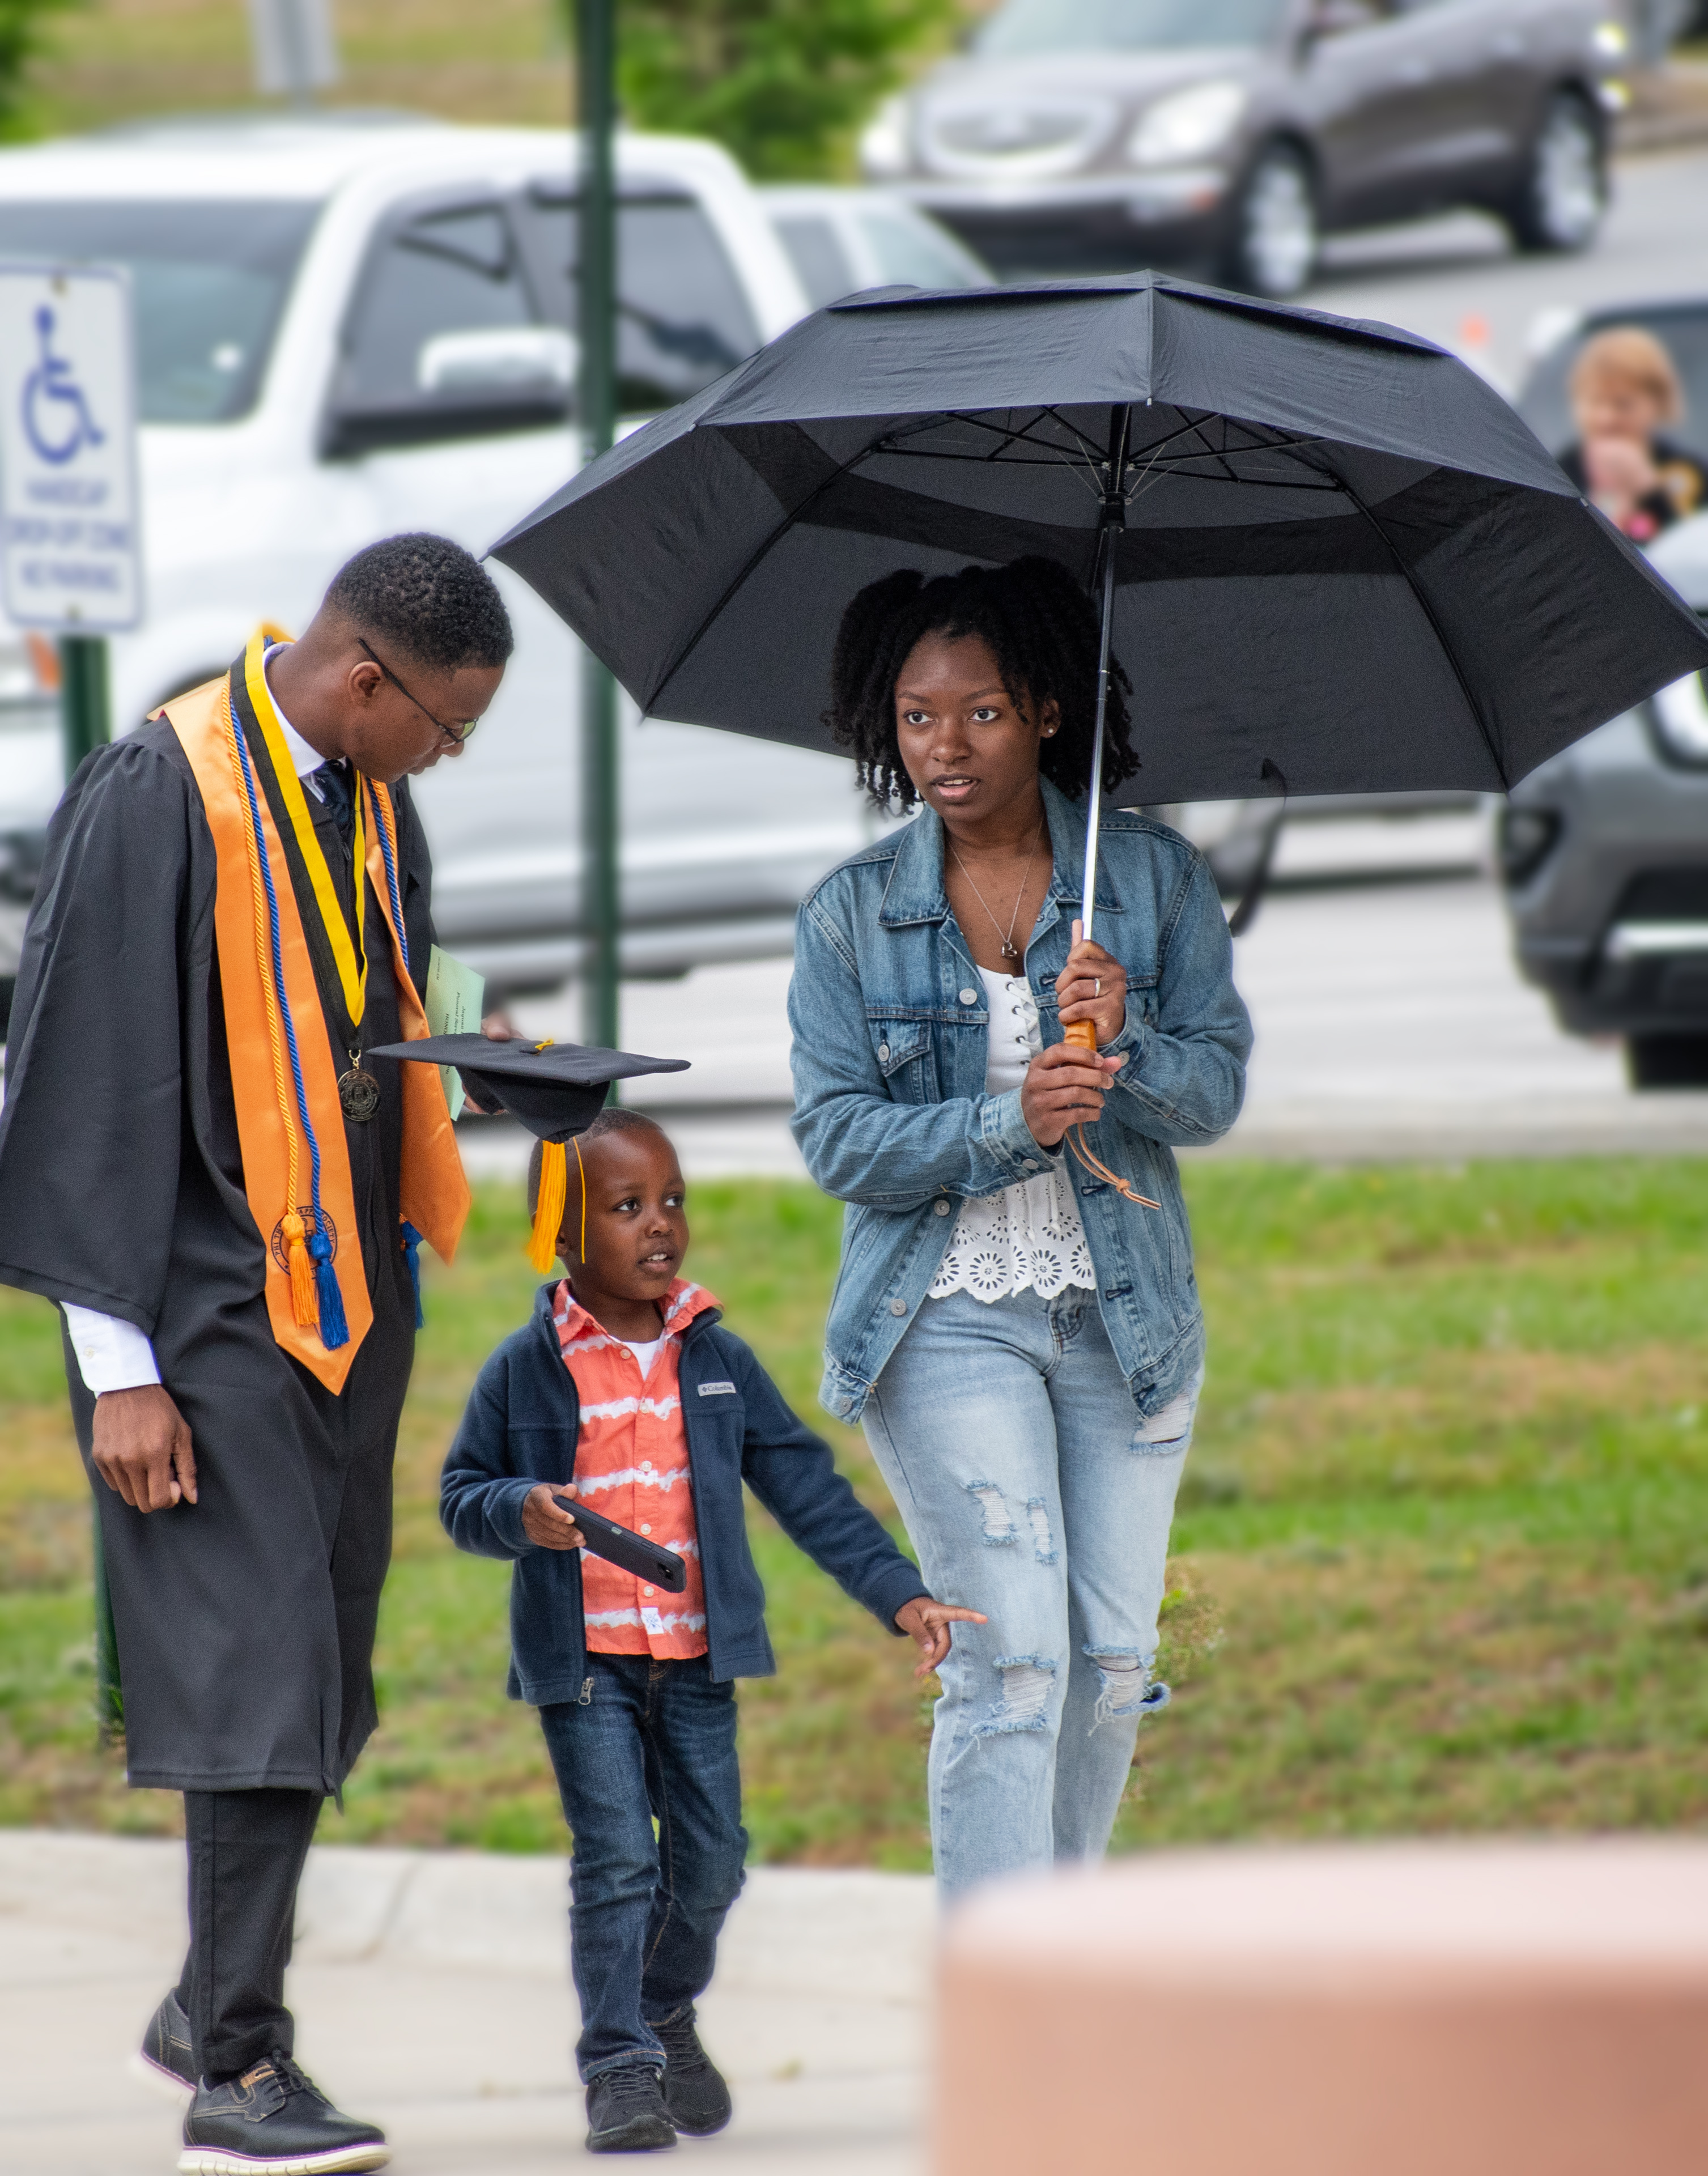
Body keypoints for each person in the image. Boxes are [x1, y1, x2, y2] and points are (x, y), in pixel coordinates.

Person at [0, 534, 513, 2174]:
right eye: (444, 724)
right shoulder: (159, 789)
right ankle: (238, 2069)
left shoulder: (369, 795)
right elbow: (71, 1073)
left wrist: (491, 1048)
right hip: (204, 1303)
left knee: (329, 1679)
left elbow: (383, 994)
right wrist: (118, 1366)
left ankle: (201, 2003)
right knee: (258, 1671)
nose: (448, 756)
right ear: (364, 682)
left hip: (350, 1306)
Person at [787, 556, 1252, 1898]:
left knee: (1108, 1664)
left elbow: (1211, 1090)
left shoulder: (1146, 881)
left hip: (1125, 1325)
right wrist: (1008, 1123)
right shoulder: (851, 916)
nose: (943, 742)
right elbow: (837, 1140)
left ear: (1045, 710)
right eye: (916, 714)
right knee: (1013, 1665)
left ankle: (1060, 1986)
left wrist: (1132, 1040)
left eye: (979, 711)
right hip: (943, 1318)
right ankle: (1002, 2017)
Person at [439, 1096, 983, 2155]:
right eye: (627, 1206)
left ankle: (661, 2005)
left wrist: (898, 1593)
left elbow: (803, 1487)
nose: (659, 1225)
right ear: (563, 1233)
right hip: (585, 1663)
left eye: (671, 1201)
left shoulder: (713, 1358)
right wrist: (519, 1512)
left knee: (714, 1862)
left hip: (692, 1664)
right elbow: (466, 1492)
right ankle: (620, 2065)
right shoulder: (528, 1365)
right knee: (615, 1864)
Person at [1558, 326, 1708, 543]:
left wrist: (1647, 487)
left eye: (1623, 404)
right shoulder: (1562, 472)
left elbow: (1693, 548)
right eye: (1594, 402)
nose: (1606, 418)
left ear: (1658, 403)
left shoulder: (1687, 471)